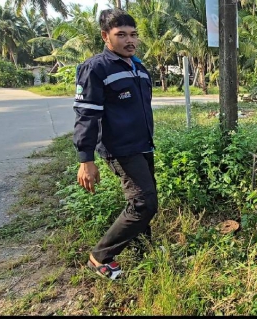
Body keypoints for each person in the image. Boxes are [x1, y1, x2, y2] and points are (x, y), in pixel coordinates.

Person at [73, 8, 156, 280]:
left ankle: (146, 249)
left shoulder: (139, 68)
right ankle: (100, 257)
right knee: (144, 203)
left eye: (133, 34)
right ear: (105, 36)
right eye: (121, 35)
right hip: (121, 149)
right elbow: (87, 115)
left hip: (143, 144)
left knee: (145, 199)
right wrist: (86, 159)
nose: (129, 40)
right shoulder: (96, 68)